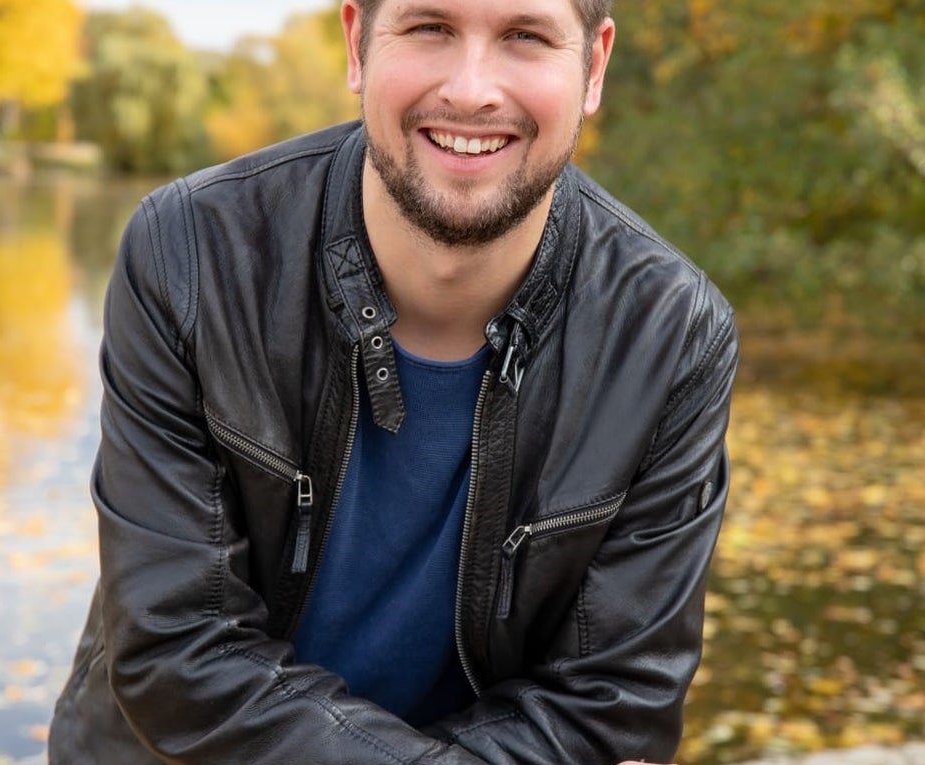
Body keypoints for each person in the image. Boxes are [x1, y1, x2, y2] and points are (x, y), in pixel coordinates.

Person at [49, 0, 738, 762]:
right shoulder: (191, 257)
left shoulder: (672, 338)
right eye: (430, 27)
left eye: (525, 36)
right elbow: (180, 655)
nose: (471, 89)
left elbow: (610, 708)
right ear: (357, 43)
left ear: (594, 67)